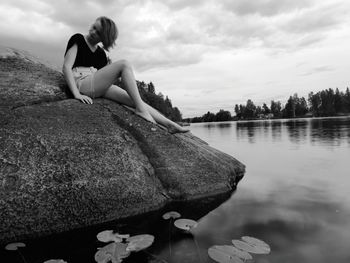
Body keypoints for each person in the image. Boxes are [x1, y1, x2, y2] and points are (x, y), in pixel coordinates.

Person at [63, 16, 189, 134]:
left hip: (95, 84)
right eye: (94, 27)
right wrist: (76, 94)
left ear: (104, 37)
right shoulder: (78, 39)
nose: (93, 31)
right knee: (124, 64)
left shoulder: (101, 54)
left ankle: (169, 124)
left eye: (98, 32)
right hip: (81, 82)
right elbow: (67, 67)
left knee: (134, 99)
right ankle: (141, 110)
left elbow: (101, 77)